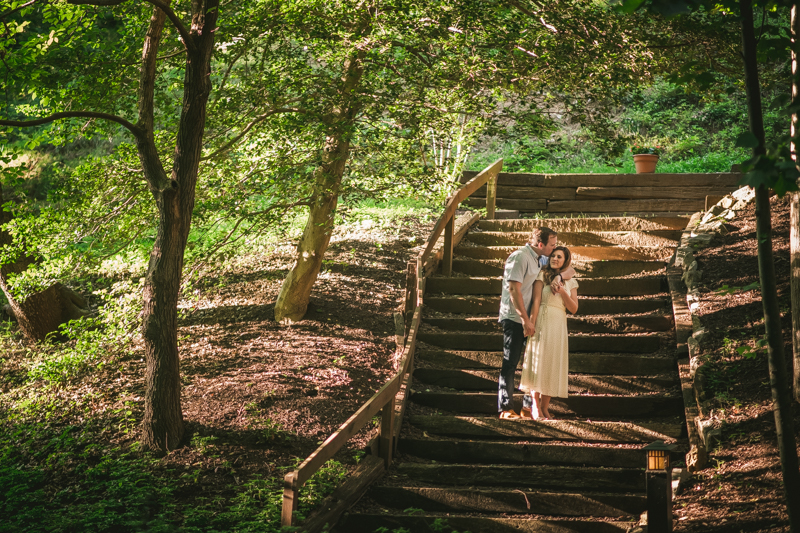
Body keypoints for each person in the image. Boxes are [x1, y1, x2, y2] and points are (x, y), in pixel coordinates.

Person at [497, 227, 574, 420]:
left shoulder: (541, 259)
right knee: (511, 362)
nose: (554, 248)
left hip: (533, 319)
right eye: (552, 245)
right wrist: (525, 320)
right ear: (541, 245)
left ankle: (528, 407)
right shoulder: (520, 257)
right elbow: (514, 290)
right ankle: (505, 408)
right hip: (516, 318)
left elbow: (564, 268)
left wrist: (561, 276)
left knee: (532, 363)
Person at [519, 246, 579, 420]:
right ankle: (535, 406)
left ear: (565, 260)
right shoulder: (542, 276)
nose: (555, 259)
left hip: (558, 324)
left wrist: (562, 292)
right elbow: (536, 301)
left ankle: (545, 407)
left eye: (559, 257)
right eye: (553, 255)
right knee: (539, 363)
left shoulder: (571, 281)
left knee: (552, 364)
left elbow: (574, 308)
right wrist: (531, 323)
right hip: (543, 322)